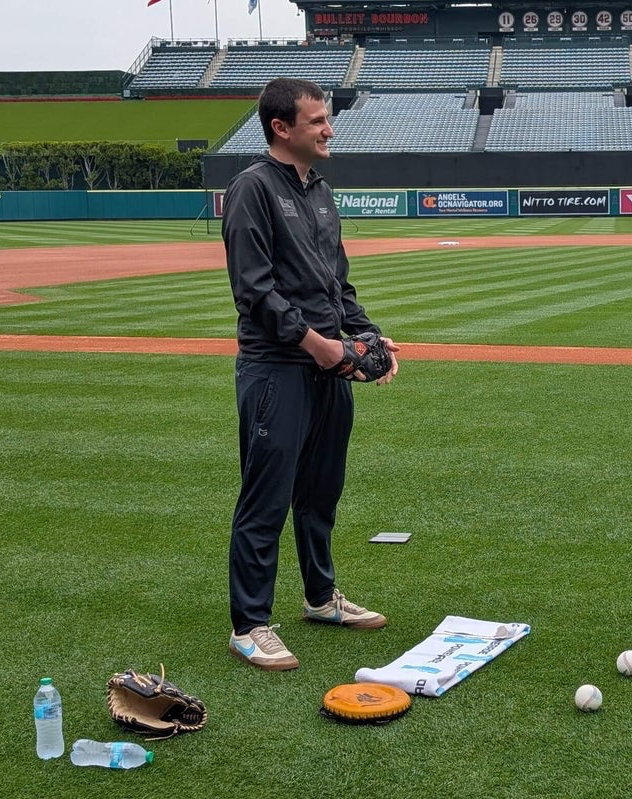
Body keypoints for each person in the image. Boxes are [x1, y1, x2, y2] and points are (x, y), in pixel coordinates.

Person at [221, 77, 399, 671]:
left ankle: (321, 598)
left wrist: (369, 337)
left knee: (321, 493)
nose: (329, 129)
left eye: (327, 118)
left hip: (327, 369)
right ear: (281, 128)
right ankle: (249, 624)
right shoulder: (252, 189)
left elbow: (336, 285)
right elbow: (255, 291)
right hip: (277, 370)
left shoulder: (320, 190)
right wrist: (316, 345)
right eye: (317, 120)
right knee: (266, 498)